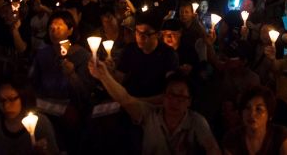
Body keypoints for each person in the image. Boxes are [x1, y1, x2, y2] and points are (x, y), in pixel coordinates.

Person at [89, 61, 221, 155]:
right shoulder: (149, 114)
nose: (174, 101)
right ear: (163, 97)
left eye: (181, 96)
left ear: (189, 101)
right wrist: (104, 76)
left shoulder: (197, 121)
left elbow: (212, 148)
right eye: (170, 94)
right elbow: (125, 99)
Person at [0, 77, 59, 155]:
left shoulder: (41, 123)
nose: (6, 106)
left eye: (12, 99)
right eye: (2, 100)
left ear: (23, 97)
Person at [114, 12, 179, 97]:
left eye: (146, 34)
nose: (140, 37)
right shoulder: (130, 49)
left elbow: (170, 92)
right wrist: (108, 72)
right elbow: (119, 78)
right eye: (137, 32)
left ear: (158, 34)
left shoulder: (168, 54)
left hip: (154, 104)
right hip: (130, 99)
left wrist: (137, 103)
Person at [221, 85, 287, 155]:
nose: (252, 114)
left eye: (259, 109)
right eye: (247, 108)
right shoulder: (232, 138)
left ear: (270, 115)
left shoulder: (280, 134)